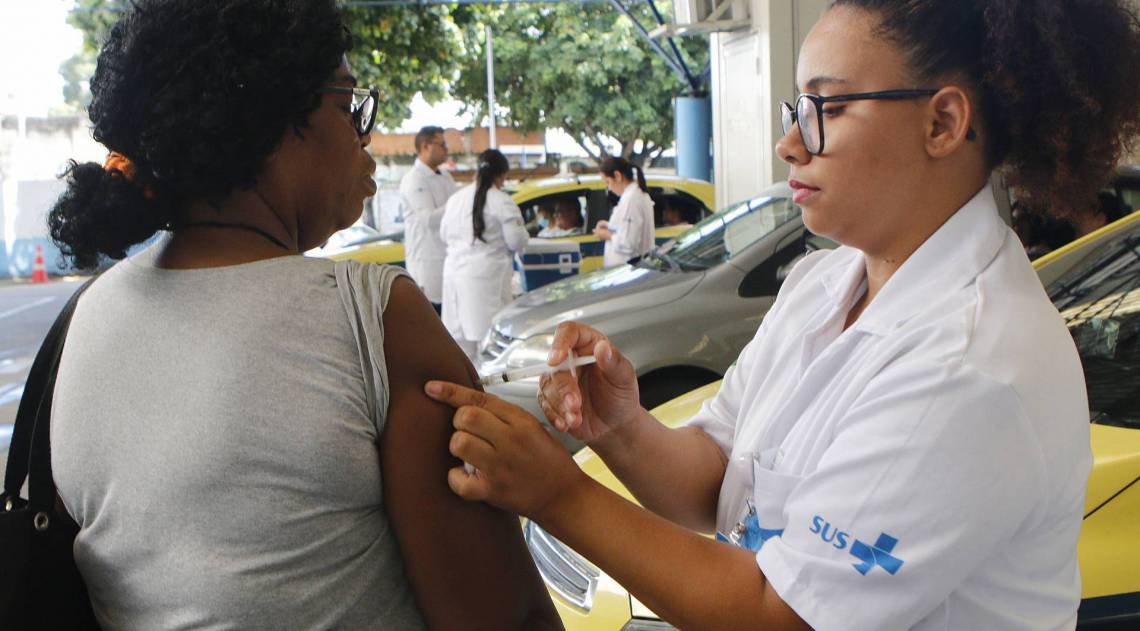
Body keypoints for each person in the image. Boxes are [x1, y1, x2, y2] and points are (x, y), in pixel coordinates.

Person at [423, 1, 1140, 629]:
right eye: (795, 109)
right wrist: (619, 427)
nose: (789, 141)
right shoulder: (824, 284)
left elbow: (776, 613)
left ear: (943, 121)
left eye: (826, 109)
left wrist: (557, 493)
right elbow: (717, 480)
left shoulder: (974, 363)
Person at [44, 1, 561, 629]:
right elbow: (502, 618)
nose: (362, 136)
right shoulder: (373, 320)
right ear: (274, 124)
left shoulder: (87, 315)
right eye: (348, 107)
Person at [440, 149, 529, 359]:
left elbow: (444, 235)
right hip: (485, 279)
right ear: (501, 175)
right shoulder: (501, 200)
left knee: (461, 351)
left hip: (453, 277)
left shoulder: (456, 199)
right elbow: (517, 240)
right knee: (489, 348)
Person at [400, 125, 459, 312]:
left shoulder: (445, 175)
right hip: (427, 267)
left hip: (449, 261)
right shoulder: (414, 179)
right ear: (425, 146)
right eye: (442, 144)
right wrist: (458, 203)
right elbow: (429, 219)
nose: (446, 149)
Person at [593, 156, 655, 267]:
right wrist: (609, 225)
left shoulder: (632, 199)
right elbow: (630, 228)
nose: (609, 189)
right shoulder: (636, 196)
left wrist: (606, 234)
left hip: (628, 269)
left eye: (608, 182)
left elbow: (628, 243)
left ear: (617, 176)